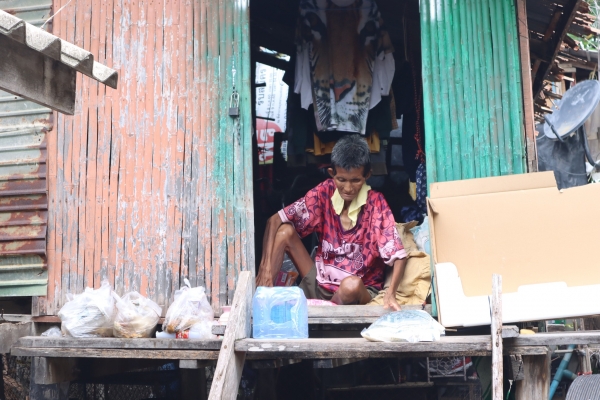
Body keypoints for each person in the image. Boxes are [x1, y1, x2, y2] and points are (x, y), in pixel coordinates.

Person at [255, 135, 407, 310]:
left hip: (356, 291)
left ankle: (328, 315)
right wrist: (265, 268)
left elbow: (399, 256)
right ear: (331, 174)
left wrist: (390, 293)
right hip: (320, 284)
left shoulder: (375, 203)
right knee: (285, 232)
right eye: (341, 180)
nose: (348, 188)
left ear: (367, 175)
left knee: (351, 285)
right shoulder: (324, 192)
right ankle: (261, 303)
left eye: (355, 180)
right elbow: (274, 220)